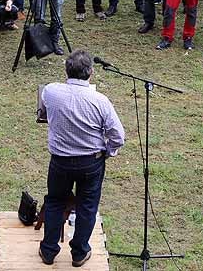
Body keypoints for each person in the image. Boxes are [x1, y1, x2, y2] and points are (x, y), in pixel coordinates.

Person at [38, 51, 125, 267]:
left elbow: (44, 110)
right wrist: (109, 151)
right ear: (91, 73)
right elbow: (118, 136)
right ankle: (79, 253)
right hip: (91, 162)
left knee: (55, 201)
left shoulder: (50, 91)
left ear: (66, 70)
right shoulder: (100, 101)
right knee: (87, 205)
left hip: (60, 161)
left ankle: (48, 250)